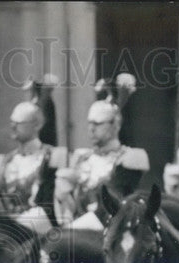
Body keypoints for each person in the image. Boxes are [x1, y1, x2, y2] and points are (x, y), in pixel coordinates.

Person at [54, 74, 149, 228]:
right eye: (90, 123)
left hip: (111, 230)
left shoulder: (130, 157)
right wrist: (63, 196)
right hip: (78, 229)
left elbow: (114, 202)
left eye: (98, 124)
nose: (91, 129)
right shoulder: (81, 157)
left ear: (115, 125)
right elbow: (68, 212)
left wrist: (72, 231)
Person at [0, 101, 66, 226]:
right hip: (8, 230)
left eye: (19, 123)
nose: (13, 127)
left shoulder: (52, 156)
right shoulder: (5, 161)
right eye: (12, 122)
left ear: (36, 125)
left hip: (42, 228)